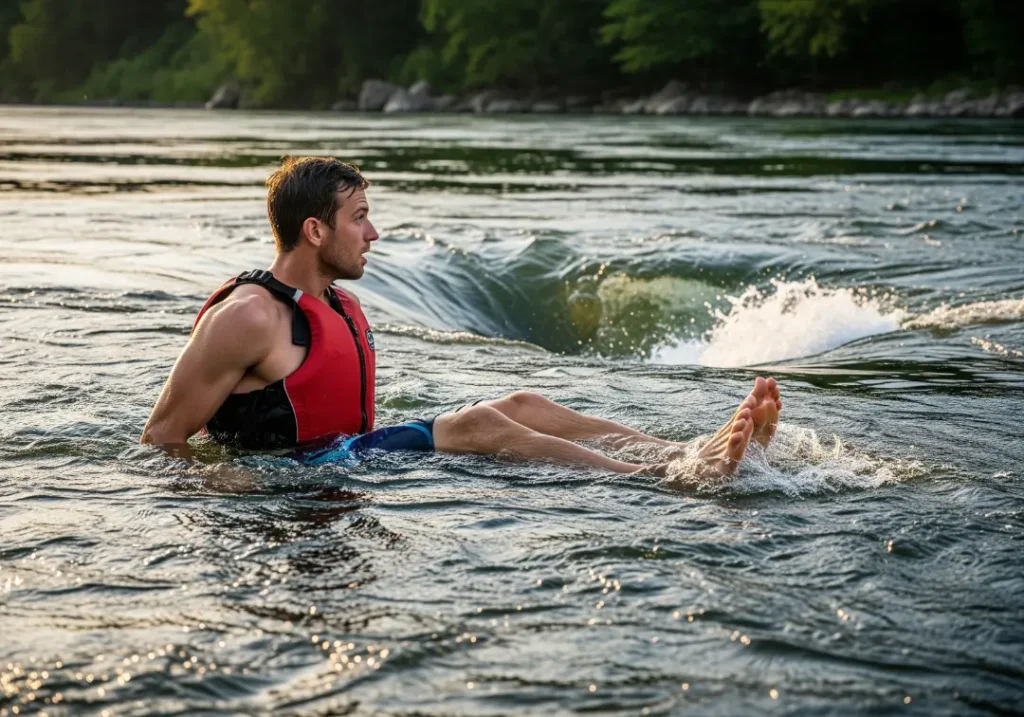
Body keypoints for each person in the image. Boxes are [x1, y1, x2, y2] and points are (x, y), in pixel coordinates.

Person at [141, 157, 782, 479]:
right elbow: (162, 438)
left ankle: (682, 451)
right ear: (314, 230)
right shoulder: (247, 317)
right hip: (292, 477)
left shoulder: (341, 303)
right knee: (476, 423)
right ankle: (663, 482)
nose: (374, 231)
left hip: (344, 459)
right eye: (359, 216)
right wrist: (229, 489)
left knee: (524, 403)